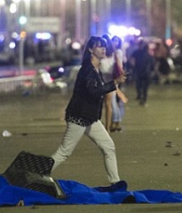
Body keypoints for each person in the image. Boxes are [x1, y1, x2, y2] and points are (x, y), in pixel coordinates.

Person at [49, 36, 126, 186]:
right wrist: (115, 83)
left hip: (90, 118)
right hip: (79, 117)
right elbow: (94, 91)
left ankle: (115, 183)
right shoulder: (87, 70)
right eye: (99, 46)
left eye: (104, 46)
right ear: (91, 50)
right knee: (64, 152)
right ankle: (40, 173)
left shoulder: (95, 69)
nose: (103, 49)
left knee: (109, 147)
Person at [109, 35, 127, 132]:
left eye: (116, 41)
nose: (115, 42)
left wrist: (119, 77)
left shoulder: (118, 52)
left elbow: (119, 65)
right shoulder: (111, 52)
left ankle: (116, 121)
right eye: (113, 40)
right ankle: (115, 121)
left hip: (114, 77)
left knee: (113, 102)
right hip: (112, 77)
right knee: (113, 101)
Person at [130, 39, 154, 106]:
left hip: (139, 72)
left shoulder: (136, 53)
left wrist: (133, 67)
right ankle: (143, 99)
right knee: (144, 88)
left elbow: (132, 61)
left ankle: (141, 97)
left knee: (139, 86)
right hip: (146, 73)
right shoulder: (149, 55)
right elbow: (152, 65)